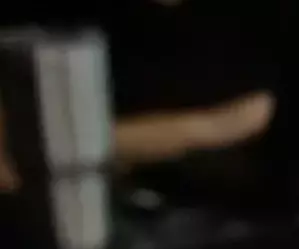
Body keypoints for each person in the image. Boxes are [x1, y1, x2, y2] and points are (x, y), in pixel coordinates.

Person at [0, 0, 278, 193]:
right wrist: (210, 127)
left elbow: (254, 114)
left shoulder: (250, 19)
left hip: (223, 216)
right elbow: (21, 150)